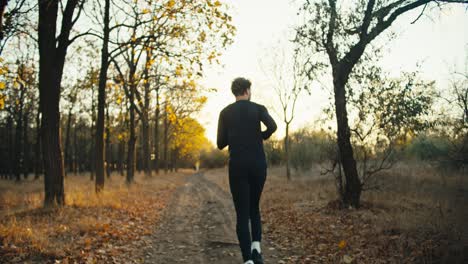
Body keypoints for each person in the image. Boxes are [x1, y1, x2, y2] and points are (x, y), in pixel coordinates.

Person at [217, 77, 277, 264]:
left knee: (242, 213)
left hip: (238, 167)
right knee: (254, 208)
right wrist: (260, 136)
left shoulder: (225, 112)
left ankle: (248, 261)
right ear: (247, 91)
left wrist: (235, 137)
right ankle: (256, 250)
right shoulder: (258, 108)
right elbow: (273, 126)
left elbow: (220, 144)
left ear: (234, 92)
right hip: (258, 165)